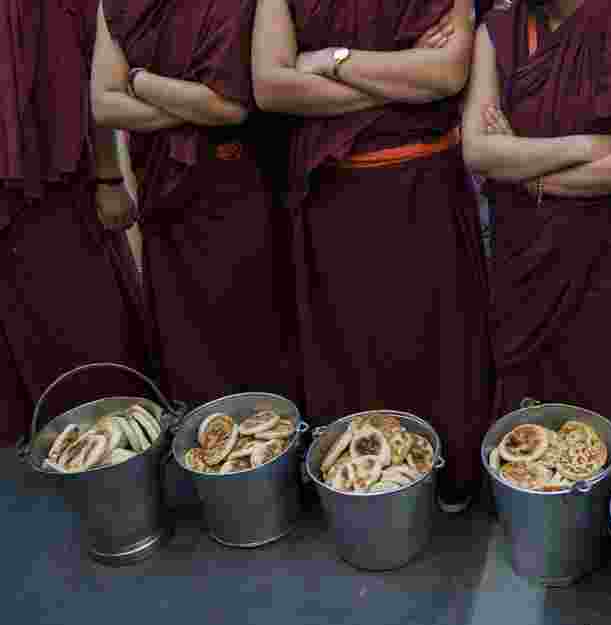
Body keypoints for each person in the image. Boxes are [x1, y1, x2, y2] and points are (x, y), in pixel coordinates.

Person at [252, 0, 493, 511]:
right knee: (350, 351)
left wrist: (330, 59)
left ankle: (448, 476)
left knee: (434, 346)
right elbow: (271, 87)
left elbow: (447, 74)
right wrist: (400, 84)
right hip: (334, 199)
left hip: (423, 190)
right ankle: (355, 484)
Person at [462, 0, 611, 432]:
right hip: (517, 253)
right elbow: (479, 151)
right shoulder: (498, 30)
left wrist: (525, 174)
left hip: (599, 260)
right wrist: (584, 146)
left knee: (594, 401)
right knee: (520, 409)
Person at [92, 0, 300, 408]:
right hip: (165, 199)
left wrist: (137, 80)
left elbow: (228, 109)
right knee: (184, 336)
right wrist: (192, 106)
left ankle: (273, 448)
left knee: (256, 330)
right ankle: (200, 452)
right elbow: (103, 104)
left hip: (239, 190)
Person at [0, 0, 150, 446]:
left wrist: (108, 177)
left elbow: (92, 74)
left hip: (56, 186)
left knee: (90, 329)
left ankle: (119, 455)